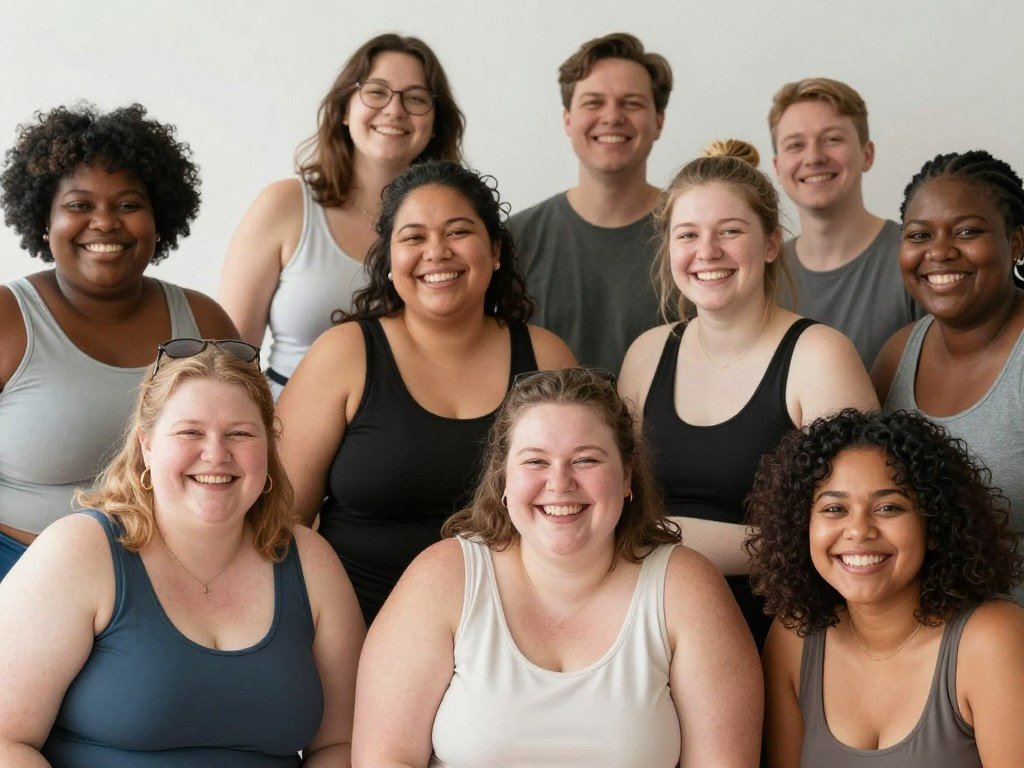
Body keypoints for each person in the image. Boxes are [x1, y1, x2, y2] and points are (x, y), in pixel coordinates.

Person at [352, 368, 762, 767]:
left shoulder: (686, 588)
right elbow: (383, 757)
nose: (560, 482)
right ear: (504, 479)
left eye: (586, 460)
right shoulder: (443, 576)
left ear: (626, 477)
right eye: (535, 461)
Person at [0, 341, 364, 766]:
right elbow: (7, 740)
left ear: (268, 446)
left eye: (240, 433)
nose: (215, 454)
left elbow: (341, 744)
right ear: (146, 446)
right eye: (190, 432)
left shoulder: (312, 561)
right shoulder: (79, 552)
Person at [277, 161, 576, 624]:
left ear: (495, 250)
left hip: (510, 630)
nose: (436, 252)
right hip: (351, 624)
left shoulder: (546, 357)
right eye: (413, 237)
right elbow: (280, 520)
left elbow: (582, 507)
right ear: (390, 261)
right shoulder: (345, 354)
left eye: (458, 232)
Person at [618, 139, 878, 649]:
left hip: (781, 630)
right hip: (645, 623)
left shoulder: (819, 356)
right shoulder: (646, 355)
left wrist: (656, 540)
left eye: (730, 231)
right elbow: (613, 499)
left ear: (771, 242)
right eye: (687, 234)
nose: (707, 252)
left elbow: (854, 527)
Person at [0, 103, 237, 579]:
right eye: (79, 205)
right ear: (45, 221)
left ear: (159, 220)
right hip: (17, 568)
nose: (105, 222)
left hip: (171, 574)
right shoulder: (8, 317)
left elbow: (248, 455)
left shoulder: (203, 320)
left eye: (128, 205)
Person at [748, 409, 1024, 767]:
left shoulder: (991, 638)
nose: (859, 530)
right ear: (802, 527)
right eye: (834, 508)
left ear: (935, 526)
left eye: (889, 507)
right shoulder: (795, 636)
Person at [220, 34, 465, 398]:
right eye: (377, 92)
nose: (395, 110)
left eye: (415, 98)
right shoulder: (284, 205)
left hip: (407, 432)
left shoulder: (458, 225)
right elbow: (227, 357)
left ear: (434, 123)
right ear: (345, 110)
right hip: (283, 430)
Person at [873, 150, 1024, 602]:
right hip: (926, 637)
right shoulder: (898, 352)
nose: (939, 252)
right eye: (920, 235)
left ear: (1017, 243)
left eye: (967, 231)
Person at [509, 32, 672, 373]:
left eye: (632, 102)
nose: (612, 117)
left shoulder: (697, 234)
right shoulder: (514, 240)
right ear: (567, 119)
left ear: (659, 121)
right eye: (593, 102)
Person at [769, 77, 920, 367]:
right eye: (795, 145)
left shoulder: (918, 257)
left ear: (867, 154)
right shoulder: (763, 274)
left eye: (832, 139)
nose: (813, 157)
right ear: (777, 167)